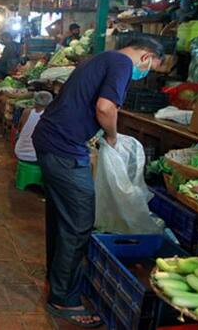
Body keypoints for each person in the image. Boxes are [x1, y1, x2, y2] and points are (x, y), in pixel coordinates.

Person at [31, 36, 163, 327]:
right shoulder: (121, 64)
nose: (146, 73)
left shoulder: (102, 58)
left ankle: (56, 281)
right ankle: (63, 299)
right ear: (146, 57)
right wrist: (112, 136)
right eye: (151, 67)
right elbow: (105, 107)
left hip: (52, 141)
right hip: (64, 148)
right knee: (79, 223)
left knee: (61, 218)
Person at [14, 91, 53, 162]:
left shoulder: (27, 112)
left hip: (19, 151)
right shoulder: (49, 117)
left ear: (35, 102)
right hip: (36, 157)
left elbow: (19, 129)